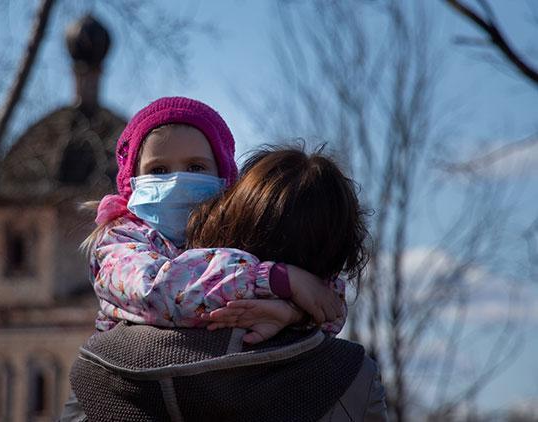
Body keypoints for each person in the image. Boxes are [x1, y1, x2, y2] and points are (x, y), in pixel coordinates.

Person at [66, 146, 387, 421]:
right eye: (159, 169)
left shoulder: (99, 371)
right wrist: (297, 309)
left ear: (229, 218)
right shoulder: (353, 378)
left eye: (196, 168)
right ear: (338, 257)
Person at [85, 97, 345, 340]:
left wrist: (291, 313)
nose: (176, 181)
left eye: (196, 167)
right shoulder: (118, 240)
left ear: (224, 180)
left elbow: (328, 304)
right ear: (133, 181)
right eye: (159, 170)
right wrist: (272, 280)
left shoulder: (235, 235)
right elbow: (156, 291)